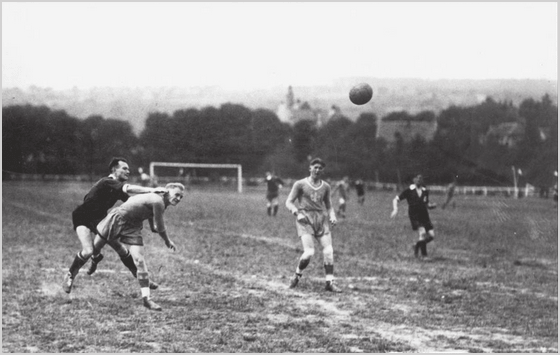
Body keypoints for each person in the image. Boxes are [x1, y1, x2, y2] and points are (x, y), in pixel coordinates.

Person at [63, 157, 165, 294]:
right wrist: (152, 190)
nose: (128, 171)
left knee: (119, 247)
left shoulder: (117, 189)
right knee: (87, 250)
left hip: (100, 219)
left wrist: (152, 223)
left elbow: (139, 206)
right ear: (114, 170)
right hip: (82, 216)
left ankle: (140, 276)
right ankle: (70, 275)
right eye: (124, 168)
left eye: (128, 169)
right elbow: (130, 188)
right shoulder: (107, 182)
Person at [82, 183, 184, 311]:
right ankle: (95, 258)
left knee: (139, 260)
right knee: (96, 247)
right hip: (118, 217)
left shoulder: (161, 201)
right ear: (167, 191)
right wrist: (167, 241)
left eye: (181, 197)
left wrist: (152, 227)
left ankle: (147, 299)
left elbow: (151, 214)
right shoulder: (159, 201)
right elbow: (161, 227)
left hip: (133, 225)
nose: (179, 199)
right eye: (177, 195)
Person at [285, 158, 341, 293]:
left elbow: (329, 206)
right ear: (310, 168)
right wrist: (296, 213)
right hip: (305, 219)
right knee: (309, 252)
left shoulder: (326, 186)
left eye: (320, 168)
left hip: (320, 219)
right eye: (315, 167)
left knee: (328, 251)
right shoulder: (300, 184)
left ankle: (329, 282)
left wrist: (332, 216)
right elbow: (289, 202)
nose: (317, 170)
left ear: (323, 170)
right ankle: (297, 275)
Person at [390, 174, 436, 259]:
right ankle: (424, 256)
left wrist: (431, 206)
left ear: (422, 180)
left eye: (420, 178)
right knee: (422, 232)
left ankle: (417, 245)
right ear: (413, 180)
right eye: (417, 178)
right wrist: (395, 209)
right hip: (414, 215)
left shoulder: (425, 191)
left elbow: (426, 204)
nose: (419, 180)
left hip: (424, 215)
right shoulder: (409, 190)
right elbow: (396, 199)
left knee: (431, 236)